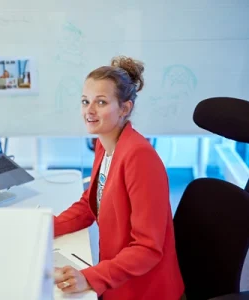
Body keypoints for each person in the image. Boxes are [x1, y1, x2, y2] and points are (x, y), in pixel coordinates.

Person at [53, 56, 185, 300]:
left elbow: (148, 248)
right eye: (85, 101)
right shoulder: (105, 144)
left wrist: (91, 277)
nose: (89, 111)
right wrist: (48, 227)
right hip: (117, 278)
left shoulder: (139, 157)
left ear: (125, 108)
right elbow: (91, 203)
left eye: (101, 102)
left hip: (143, 290)